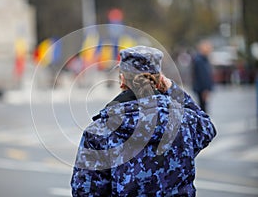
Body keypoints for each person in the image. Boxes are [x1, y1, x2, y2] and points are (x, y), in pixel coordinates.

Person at [71, 46, 216, 196]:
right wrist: (174, 90)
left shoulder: (100, 130)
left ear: (122, 80)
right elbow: (207, 127)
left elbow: (85, 191)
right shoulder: (185, 120)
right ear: (160, 80)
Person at [192, 40, 214, 112]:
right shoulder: (200, 60)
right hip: (201, 88)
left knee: (203, 106)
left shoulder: (203, 59)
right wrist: (205, 89)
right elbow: (203, 76)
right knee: (203, 108)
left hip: (202, 88)